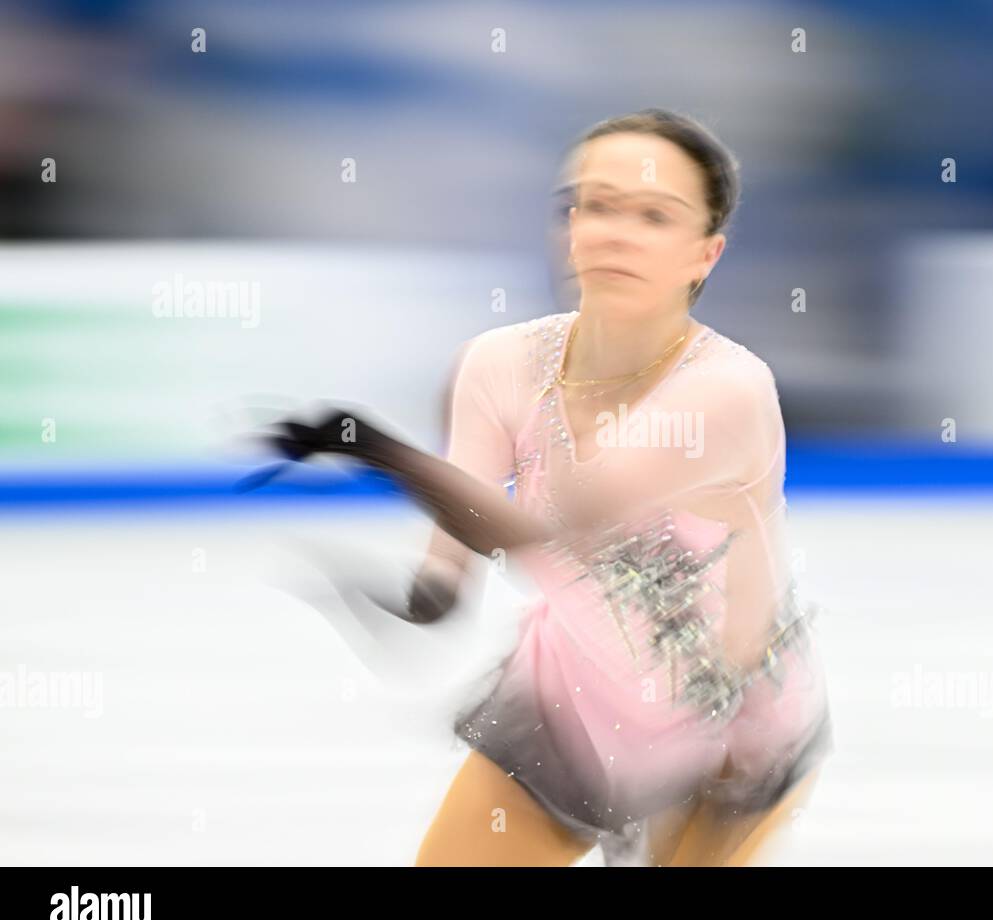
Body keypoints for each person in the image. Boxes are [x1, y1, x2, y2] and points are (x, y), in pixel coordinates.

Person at [260, 109, 834, 866]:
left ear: (705, 253)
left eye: (654, 215)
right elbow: (444, 583)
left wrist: (372, 449)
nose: (614, 231)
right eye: (594, 204)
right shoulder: (498, 366)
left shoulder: (727, 391)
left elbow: (554, 525)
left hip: (726, 738)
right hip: (574, 705)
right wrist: (376, 595)